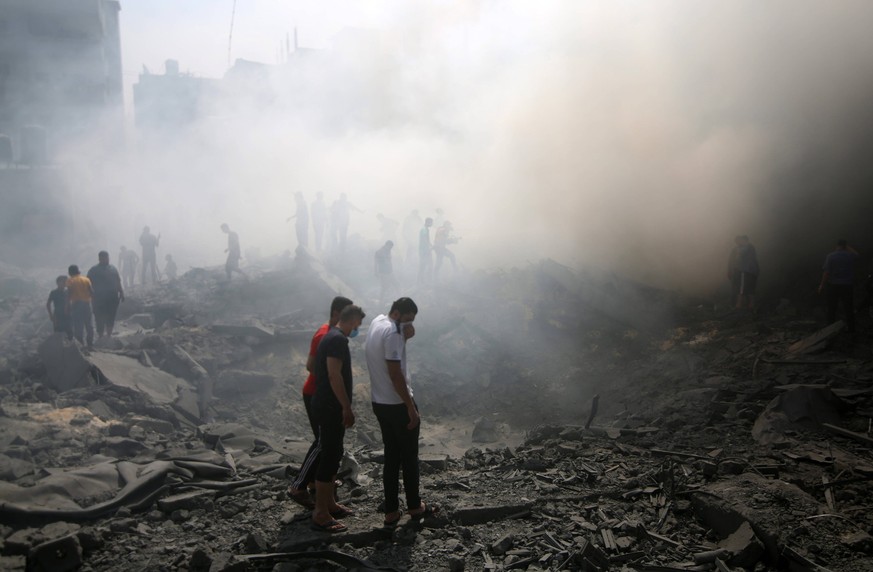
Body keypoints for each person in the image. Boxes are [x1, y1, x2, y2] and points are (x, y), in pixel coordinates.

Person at [365, 297, 437, 527]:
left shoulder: (378, 322)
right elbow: (395, 374)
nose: (409, 325)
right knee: (409, 457)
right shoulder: (394, 333)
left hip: (379, 402)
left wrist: (404, 336)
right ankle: (415, 506)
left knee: (391, 457)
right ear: (397, 314)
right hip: (397, 404)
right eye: (408, 320)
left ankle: (391, 511)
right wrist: (409, 406)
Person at [288, 296, 354, 510]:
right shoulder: (325, 335)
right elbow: (311, 365)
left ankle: (316, 484)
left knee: (325, 443)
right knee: (322, 443)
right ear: (336, 314)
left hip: (323, 396)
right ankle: (299, 486)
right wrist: (329, 384)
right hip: (316, 394)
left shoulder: (332, 333)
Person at [310, 304, 366, 533]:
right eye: (358, 324)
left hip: (328, 405)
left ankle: (330, 504)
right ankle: (321, 512)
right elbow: (334, 375)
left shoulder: (333, 337)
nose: (358, 329)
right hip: (330, 406)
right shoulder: (337, 340)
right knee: (329, 454)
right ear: (352, 320)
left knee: (333, 454)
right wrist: (346, 407)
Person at [818, 239, 860, 333]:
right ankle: (851, 329)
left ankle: (829, 329)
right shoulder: (850, 255)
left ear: (837, 246)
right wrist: (848, 247)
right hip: (847, 285)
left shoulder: (831, 256)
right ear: (845, 246)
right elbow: (857, 255)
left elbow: (826, 272)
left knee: (832, 307)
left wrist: (821, 285)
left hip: (834, 286)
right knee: (848, 308)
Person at [87, 251, 124, 338]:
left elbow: (118, 281)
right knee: (99, 317)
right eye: (104, 258)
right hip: (98, 299)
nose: (106, 259)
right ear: (99, 258)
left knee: (111, 316)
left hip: (112, 297)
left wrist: (121, 292)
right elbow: (87, 284)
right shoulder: (93, 270)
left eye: (107, 257)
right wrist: (89, 296)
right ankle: (100, 336)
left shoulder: (113, 269)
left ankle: (108, 336)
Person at [66, 265, 94, 348]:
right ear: (78, 271)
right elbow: (92, 292)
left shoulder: (70, 280)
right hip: (86, 304)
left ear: (70, 273)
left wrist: (67, 306)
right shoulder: (86, 279)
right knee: (89, 324)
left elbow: (69, 293)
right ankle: (90, 343)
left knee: (78, 325)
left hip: (76, 304)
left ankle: (80, 344)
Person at [728, 235, 758, 309]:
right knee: (743, 287)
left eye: (739, 240)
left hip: (745, 271)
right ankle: (747, 304)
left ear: (744, 240)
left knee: (742, 288)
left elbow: (747, 260)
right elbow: (731, 260)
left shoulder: (747, 248)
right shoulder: (738, 248)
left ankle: (740, 304)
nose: (737, 243)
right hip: (746, 271)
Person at [418, 218, 434, 285]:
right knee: (425, 265)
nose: (432, 224)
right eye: (431, 222)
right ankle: (424, 281)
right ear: (428, 222)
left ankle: (422, 280)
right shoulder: (424, 229)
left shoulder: (425, 229)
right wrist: (428, 248)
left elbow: (426, 240)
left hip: (424, 250)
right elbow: (424, 239)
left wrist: (431, 245)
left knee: (424, 265)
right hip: (424, 251)